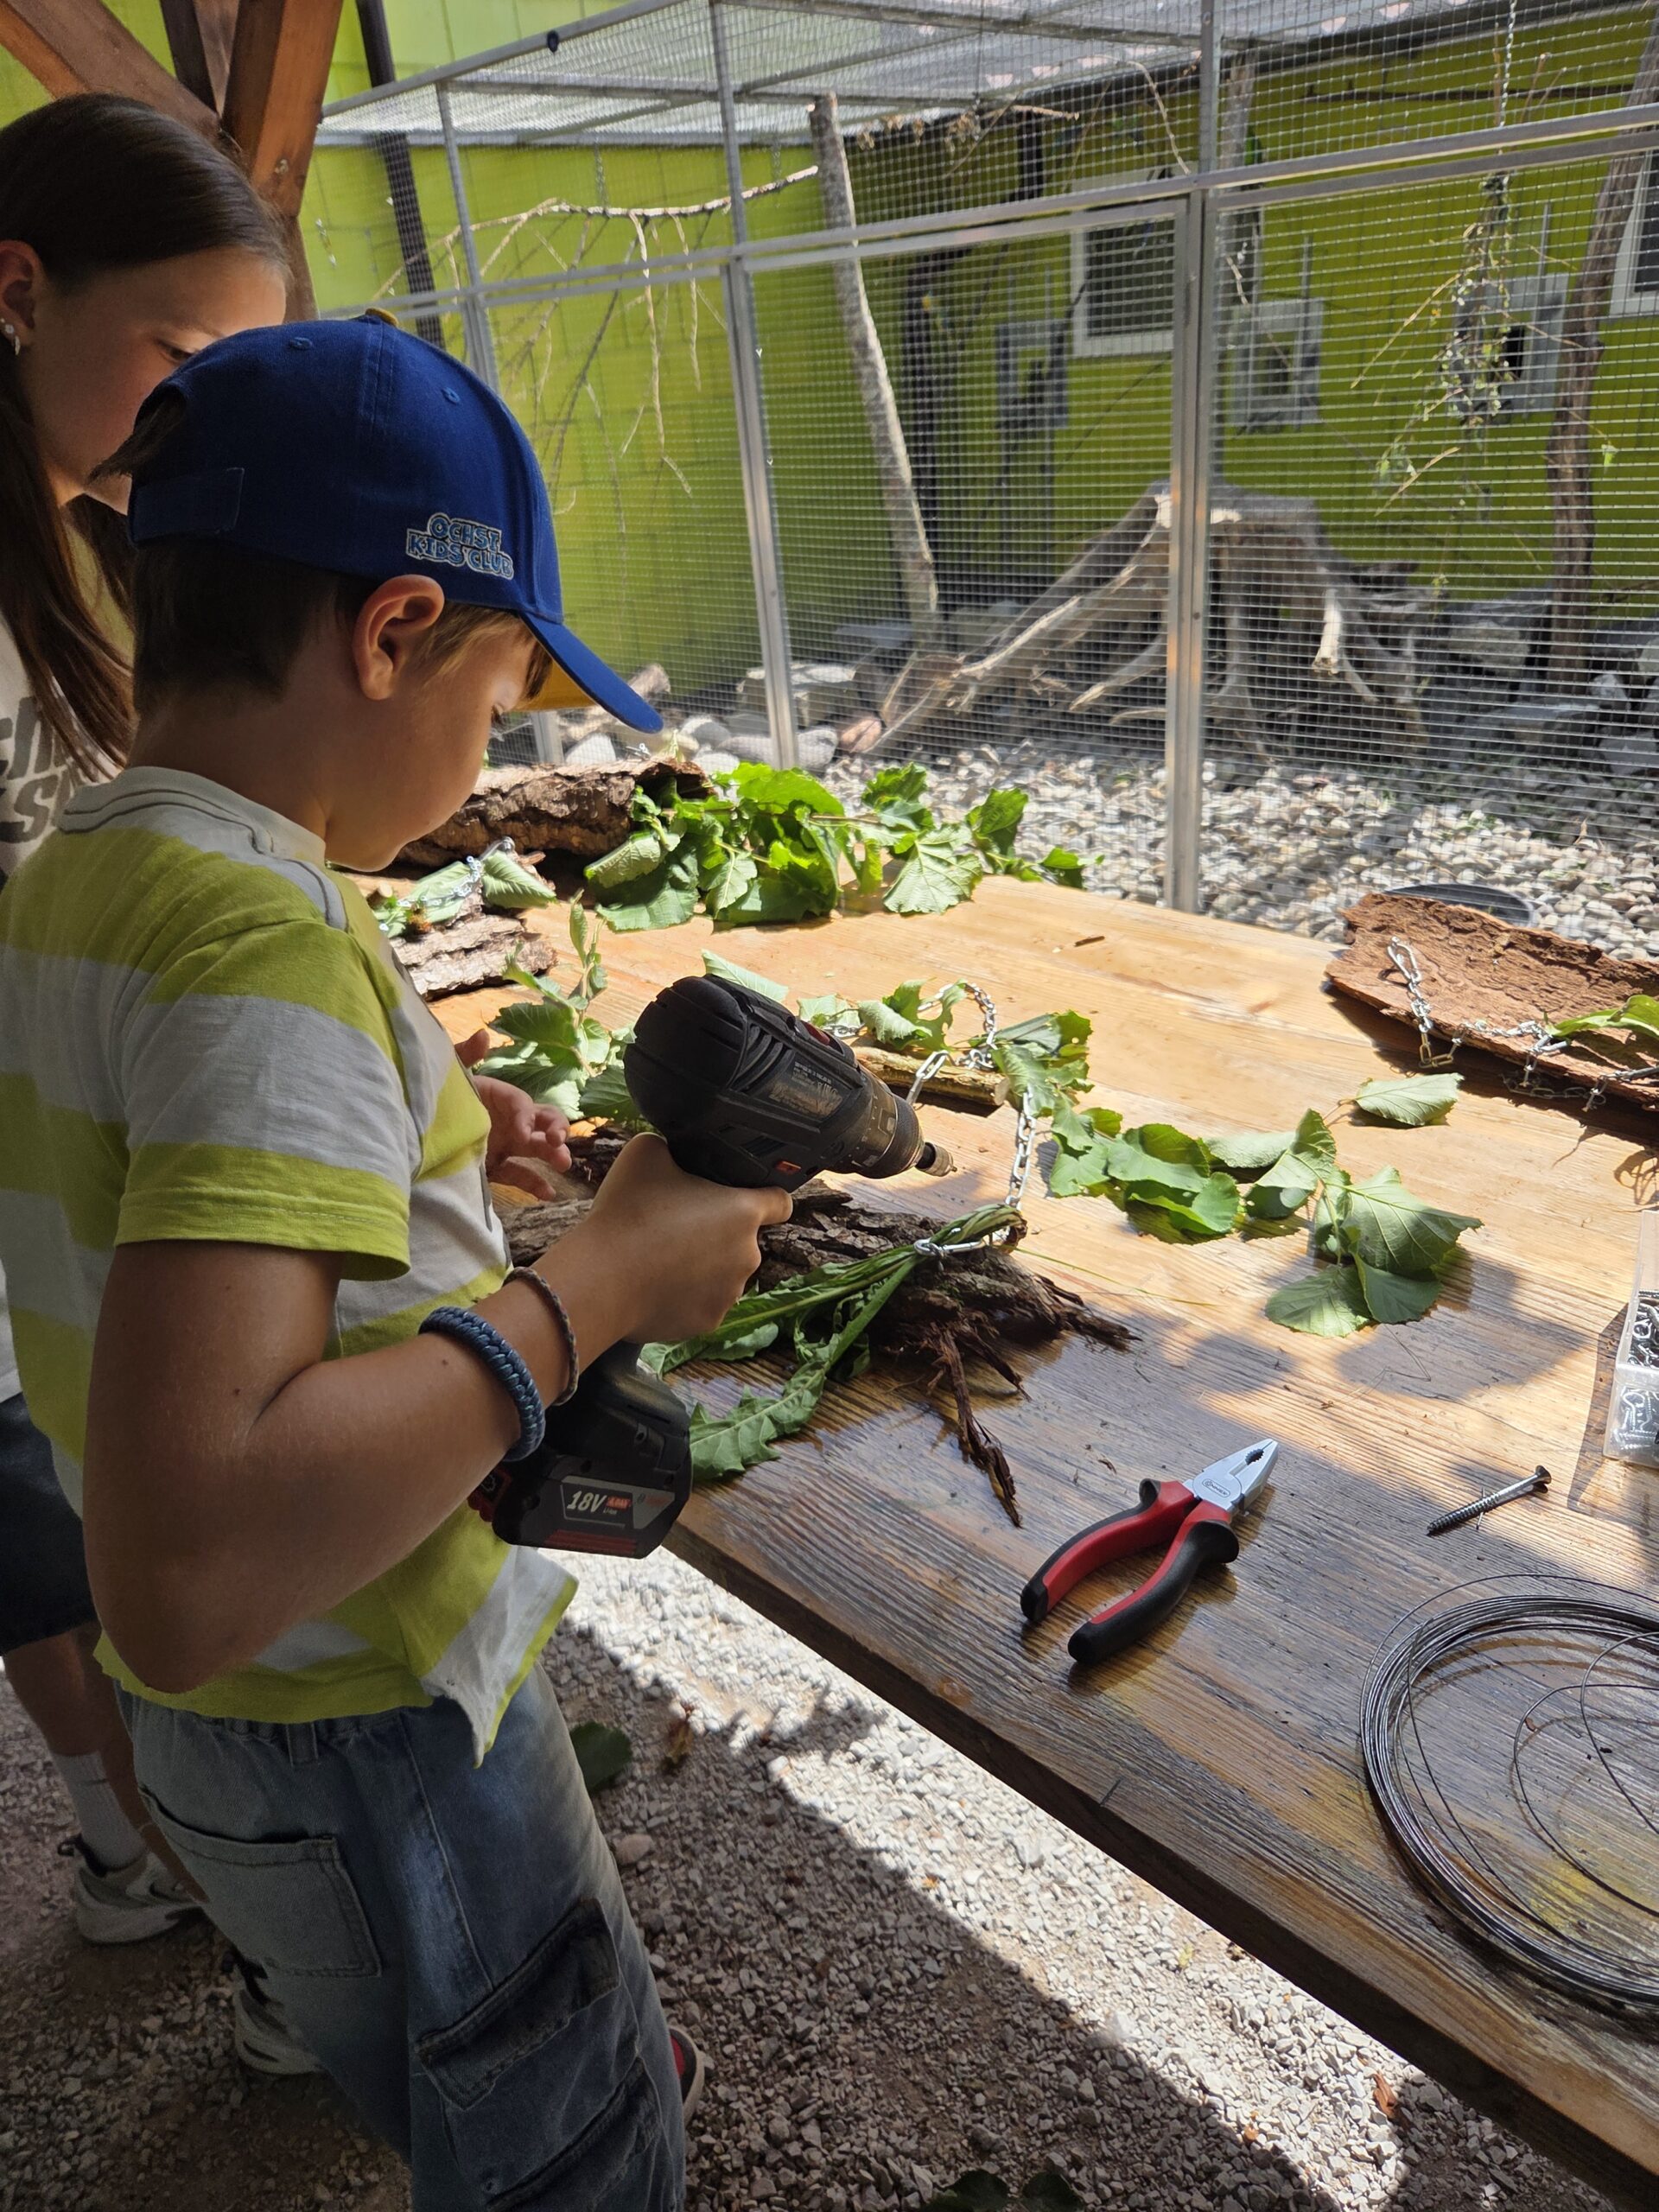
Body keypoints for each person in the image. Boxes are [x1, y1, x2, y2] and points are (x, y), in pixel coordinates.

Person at [0, 311, 787, 2210]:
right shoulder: (258, 944)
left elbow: (140, 1156)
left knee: (434, 2063)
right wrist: (587, 1282)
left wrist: (421, 1105)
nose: (495, 747)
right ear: (395, 634)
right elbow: (192, 1569)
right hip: (362, 1721)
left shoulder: (81, 869)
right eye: (505, 697)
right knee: (576, 2156)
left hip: (237, 1751)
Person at [0, 92, 288, 1953]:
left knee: (49, 1536)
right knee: (95, 1543)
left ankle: (136, 1847)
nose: (202, 418)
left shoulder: (73, 527)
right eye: (179, 358)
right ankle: (250, 1917)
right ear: (17, 290)